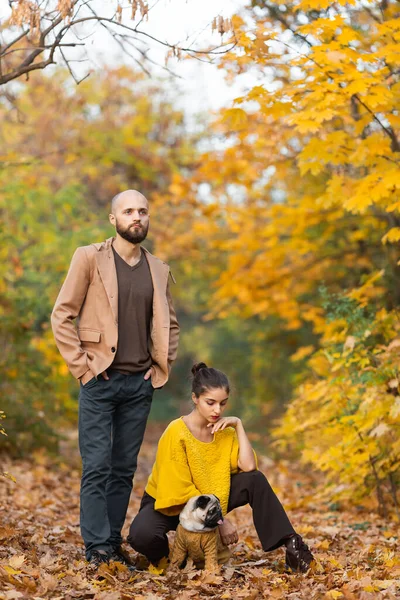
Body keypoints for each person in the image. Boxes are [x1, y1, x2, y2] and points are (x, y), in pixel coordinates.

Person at [51, 189, 180, 570]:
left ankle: (111, 542)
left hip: (139, 386)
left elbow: (170, 324)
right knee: (97, 466)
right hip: (99, 381)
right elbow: (62, 315)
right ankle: (95, 549)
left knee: (124, 468)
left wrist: (159, 368)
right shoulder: (89, 258)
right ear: (114, 219)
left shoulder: (158, 268)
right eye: (128, 211)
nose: (136, 216)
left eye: (142, 210)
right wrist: (83, 368)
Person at [128, 363, 314, 573]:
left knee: (255, 479)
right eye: (210, 403)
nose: (217, 410)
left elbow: (248, 466)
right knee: (141, 536)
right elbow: (178, 489)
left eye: (223, 403)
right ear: (195, 398)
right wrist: (220, 522)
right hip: (171, 501)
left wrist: (238, 425)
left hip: (212, 498)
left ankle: (292, 545)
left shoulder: (225, 430)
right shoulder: (176, 432)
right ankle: (173, 559)